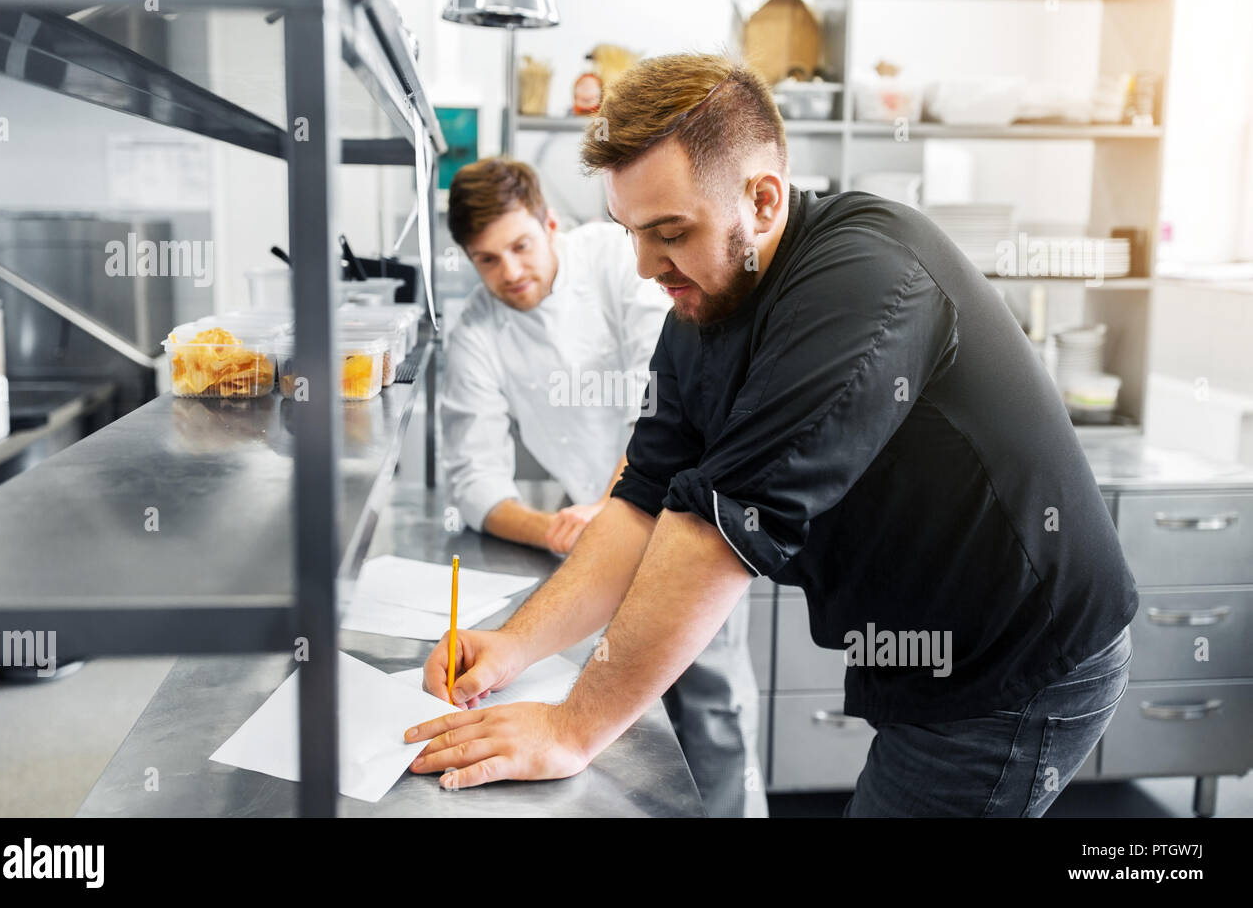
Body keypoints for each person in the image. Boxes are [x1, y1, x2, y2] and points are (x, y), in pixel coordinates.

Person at [406, 55, 1138, 817]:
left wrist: (571, 727)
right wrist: (516, 645)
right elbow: (644, 500)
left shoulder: (864, 277)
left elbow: (719, 528)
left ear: (762, 200)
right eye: (631, 232)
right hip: (928, 648)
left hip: (1020, 655)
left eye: (670, 232)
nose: (648, 265)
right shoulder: (705, 300)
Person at [439, 157, 767, 817]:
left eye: (521, 246)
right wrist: (560, 526)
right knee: (622, 732)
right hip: (593, 547)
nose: (510, 272)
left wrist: (615, 504)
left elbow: (671, 405)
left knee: (714, 715)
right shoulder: (474, 332)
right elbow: (472, 478)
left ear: (550, 223)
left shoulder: (618, 262)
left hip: (694, 521)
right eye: (487, 260)